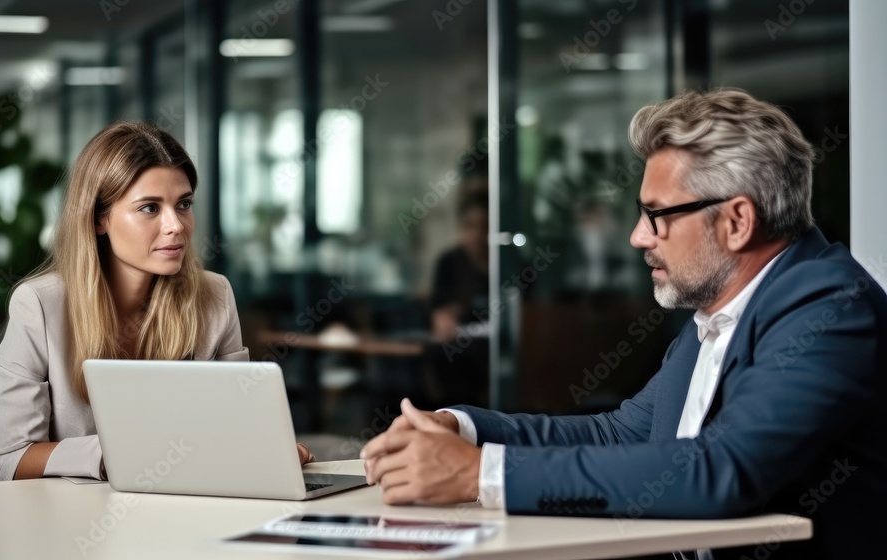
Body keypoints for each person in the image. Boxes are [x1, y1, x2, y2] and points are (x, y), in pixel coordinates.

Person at [361, 89, 887, 560]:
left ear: (736, 221)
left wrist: (480, 475)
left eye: (656, 214)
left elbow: (725, 469)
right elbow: (617, 434)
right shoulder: (719, 313)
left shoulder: (828, 306)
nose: (638, 236)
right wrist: (462, 427)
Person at [0, 121, 313, 482]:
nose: (176, 225)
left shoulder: (215, 296)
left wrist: (267, 444)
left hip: (174, 511)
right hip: (63, 520)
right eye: (150, 208)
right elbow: (10, 458)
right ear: (99, 218)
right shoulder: (39, 305)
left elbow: (241, 422)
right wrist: (127, 453)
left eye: (183, 204)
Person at [428, 185, 490, 407]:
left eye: (485, 226)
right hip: (461, 349)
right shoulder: (449, 263)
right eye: (470, 225)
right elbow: (441, 319)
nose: (478, 234)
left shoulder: (513, 265)